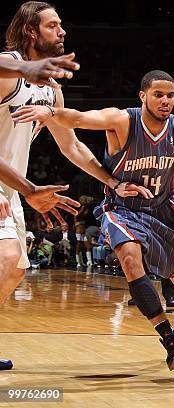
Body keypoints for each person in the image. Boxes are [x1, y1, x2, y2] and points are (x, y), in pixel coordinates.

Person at [13, 69, 174, 370]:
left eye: (170, 95)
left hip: (163, 213)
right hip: (122, 208)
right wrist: (51, 111)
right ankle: (168, 338)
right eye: (158, 94)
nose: (165, 101)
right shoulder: (123, 121)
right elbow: (81, 119)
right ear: (143, 95)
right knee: (130, 259)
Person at [0, 1, 146, 371]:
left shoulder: (51, 92)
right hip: (12, 184)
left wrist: (113, 182)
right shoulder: (9, 68)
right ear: (31, 31)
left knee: (16, 267)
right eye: (53, 25)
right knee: (5, 258)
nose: (62, 32)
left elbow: (72, 147)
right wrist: (30, 188)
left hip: (12, 185)